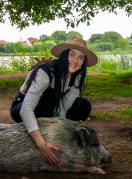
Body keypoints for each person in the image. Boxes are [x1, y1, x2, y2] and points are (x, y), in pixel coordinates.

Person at [10, 37, 98, 165]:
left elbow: (63, 108)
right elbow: (26, 109)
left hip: (51, 108)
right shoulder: (45, 72)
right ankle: (39, 139)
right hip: (23, 107)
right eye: (72, 54)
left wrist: (60, 132)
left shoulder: (78, 76)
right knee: (46, 108)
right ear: (64, 55)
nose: (75, 61)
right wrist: (42, 145)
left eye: (81, 58)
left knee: (83, 106)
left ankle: (54, 138)